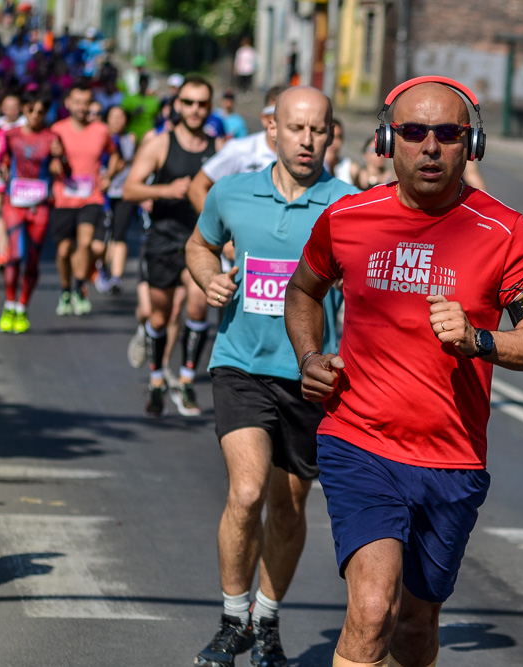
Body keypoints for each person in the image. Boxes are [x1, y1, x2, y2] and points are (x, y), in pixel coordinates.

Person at [284, 76, 523, 667]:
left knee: (415, 623)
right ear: (388, 140)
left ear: (472, 144)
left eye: (447, 133)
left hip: (452, 458)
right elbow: (302, 292)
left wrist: (480, 339)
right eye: (413, 132)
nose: (429, 147)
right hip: (360, 441)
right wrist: (309, 357)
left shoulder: (505, 232)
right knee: (372, 607)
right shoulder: (348, 218)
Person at [185, 85, 357, 667]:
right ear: (273, 130)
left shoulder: (349, 206)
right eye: (297, 128)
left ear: (331, 134)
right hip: (241, 366)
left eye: (319, 130)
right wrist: (208, 277)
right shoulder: (232, 193)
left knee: (288, 507)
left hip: (312, 378)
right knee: (249, 490)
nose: (308, 141)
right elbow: (201, 243)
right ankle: (233, 620)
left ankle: (267, 618)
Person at [123, 75, 217, 418]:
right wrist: (166, 190)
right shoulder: (160, 145)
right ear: (178, 105)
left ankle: (188, 379)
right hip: (162, 239)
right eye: (188, 103)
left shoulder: (217, 148)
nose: (194, 110)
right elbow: (130, 189)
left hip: (200, 242)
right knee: (160, 316)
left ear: (209, 107)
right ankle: (157, 380)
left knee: (196, 305)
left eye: (201, 104)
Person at [51, 81, 120, 317]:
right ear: (68, 103)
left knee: (85, 242)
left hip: (91, 197)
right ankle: (65, 290)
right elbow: (47, 163)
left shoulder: (101, 130)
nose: (82, 107)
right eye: (77, 102)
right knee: (62, 251)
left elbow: (115, 156)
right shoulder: (57, 130)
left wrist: (109, 175)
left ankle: (80, 287)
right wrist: (55, 163)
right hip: (64, 198)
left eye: (86, 103)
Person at [0, 90, 64, 334]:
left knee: (33, 259)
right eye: (31, 110)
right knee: (15, 254)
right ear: (24, 111)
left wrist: (60, 160)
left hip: (40, 204)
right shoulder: (11, 135)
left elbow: (63, 168)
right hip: (15, 201)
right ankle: (8, 304)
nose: (35, 115)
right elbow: (2, 158)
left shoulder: (51, 137)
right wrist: (4, 168)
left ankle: (23, 306)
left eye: (41, 112)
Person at [187, 86, 284, 214]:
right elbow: (196, 187)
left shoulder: (311, 157)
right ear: (264, 119)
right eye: (278, 114)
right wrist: (216, 229)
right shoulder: (239, 148)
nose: (285, 120)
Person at [91, 105, 137, 295]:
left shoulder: (131, 139)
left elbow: (126, 162)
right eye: (113, 117)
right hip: (100, 194)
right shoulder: (98, 137)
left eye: (121, 117)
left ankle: (116, 278)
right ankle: (102, 267)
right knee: (98, 243)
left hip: (123, 193)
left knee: (119, 234)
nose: (117, 121)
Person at [122, 73, 160, 143]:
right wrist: (134, 113)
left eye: (145, 82)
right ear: (139, 83)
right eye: (142, 82)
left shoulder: (153, 100)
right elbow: (123, 115)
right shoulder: (129, 98)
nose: (143, 84)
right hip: (132, 132)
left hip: (147, 133)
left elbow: (157, 118)